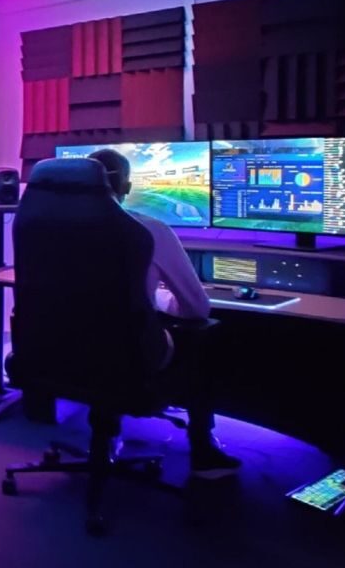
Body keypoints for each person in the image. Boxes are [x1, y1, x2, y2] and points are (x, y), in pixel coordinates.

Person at [88, 148, 241, 479]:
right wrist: (157, 299)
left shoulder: (51, 227)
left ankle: (105, 434)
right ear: (126, 188)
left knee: (101, 334)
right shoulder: (149, 230)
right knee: (203, 333)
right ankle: (202, 450)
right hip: (129, 356)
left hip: (64, 351)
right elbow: (196, 307)